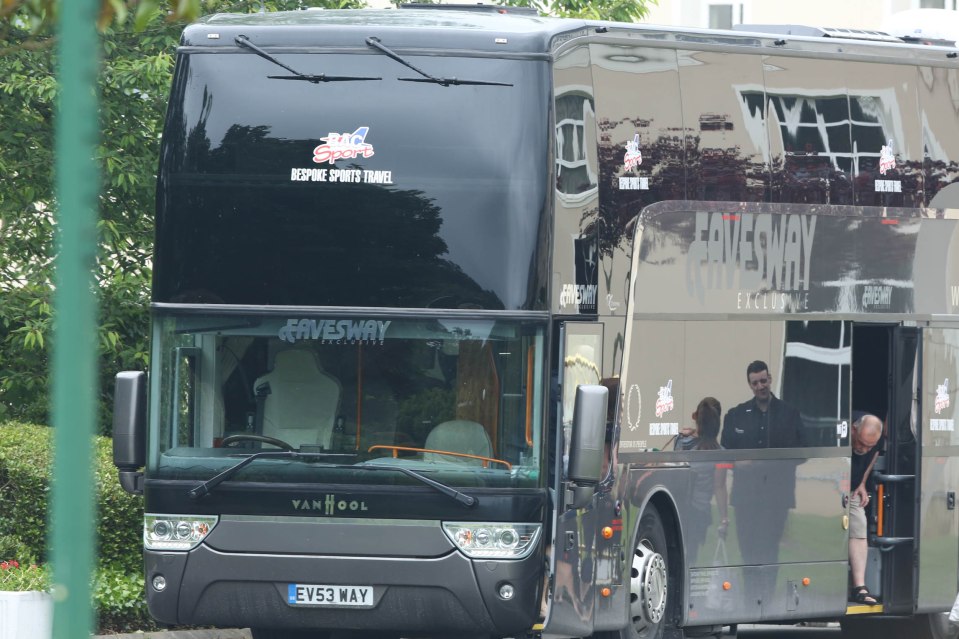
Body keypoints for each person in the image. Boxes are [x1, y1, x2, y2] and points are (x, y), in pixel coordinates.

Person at [721, 360, 802, 594]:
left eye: (763, 381)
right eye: (755, 382)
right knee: (747, 549)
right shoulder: (736, 415)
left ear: (770, 379)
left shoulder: (789, 414)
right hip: (745, 496)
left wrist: (763, 464)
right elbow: (725, 451)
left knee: (769, 549)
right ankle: (750, 597)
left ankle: (766, 597)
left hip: (777, 496)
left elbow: (802, 452)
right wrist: (738, 463)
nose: (760, 386)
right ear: (749, 384)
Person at [675, 397, 729, 563]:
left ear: (696, 419)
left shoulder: (683, 442)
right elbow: (719, 486)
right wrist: (724, 518)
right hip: (700, 512)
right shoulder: (720, 453)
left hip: (678, 508)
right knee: (692, 559)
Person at [848, 412, 884, 605]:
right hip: (832, 483)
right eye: (861, 443)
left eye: (869, 445)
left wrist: (862, 483)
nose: (863, 449)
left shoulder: (873, 442)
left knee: (860, 526)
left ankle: (859, 587)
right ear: (853, 429)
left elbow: (873, 457)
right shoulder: (842, 429)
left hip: (853, 487)